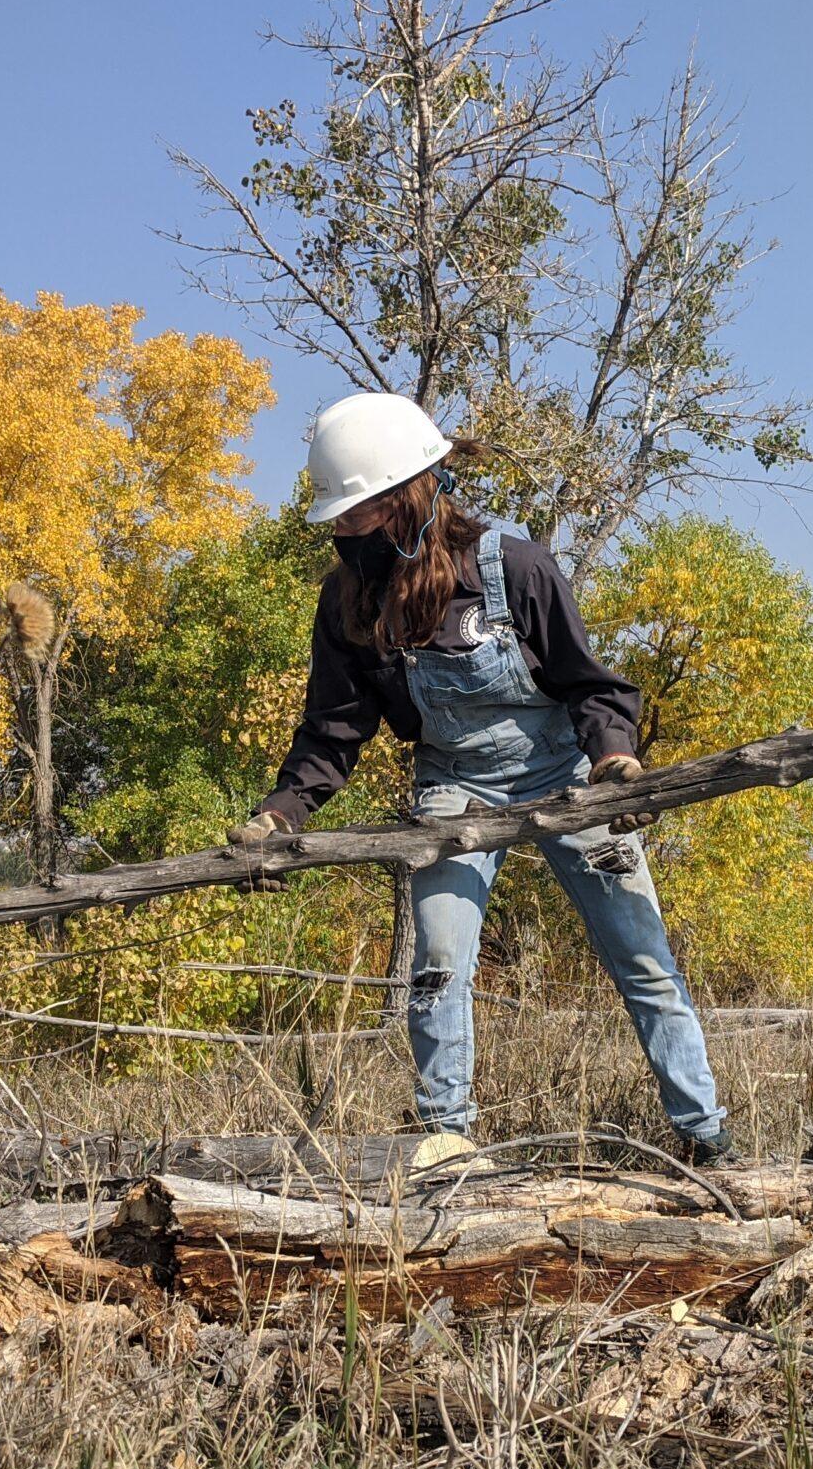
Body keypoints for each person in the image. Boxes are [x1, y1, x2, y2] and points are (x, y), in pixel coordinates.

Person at [229, 392, 735, 1163]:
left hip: (568, 776)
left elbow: (590, 685)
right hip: (453, 788)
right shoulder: (349, 600)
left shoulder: (515, 568)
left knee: (643, 959)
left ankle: (706, 1139)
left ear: (407, 500)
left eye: (353, 512)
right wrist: (279, 817)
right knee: (436, 965)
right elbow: (334, 729)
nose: (338, 531)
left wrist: (614, 762)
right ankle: (445, 1143)